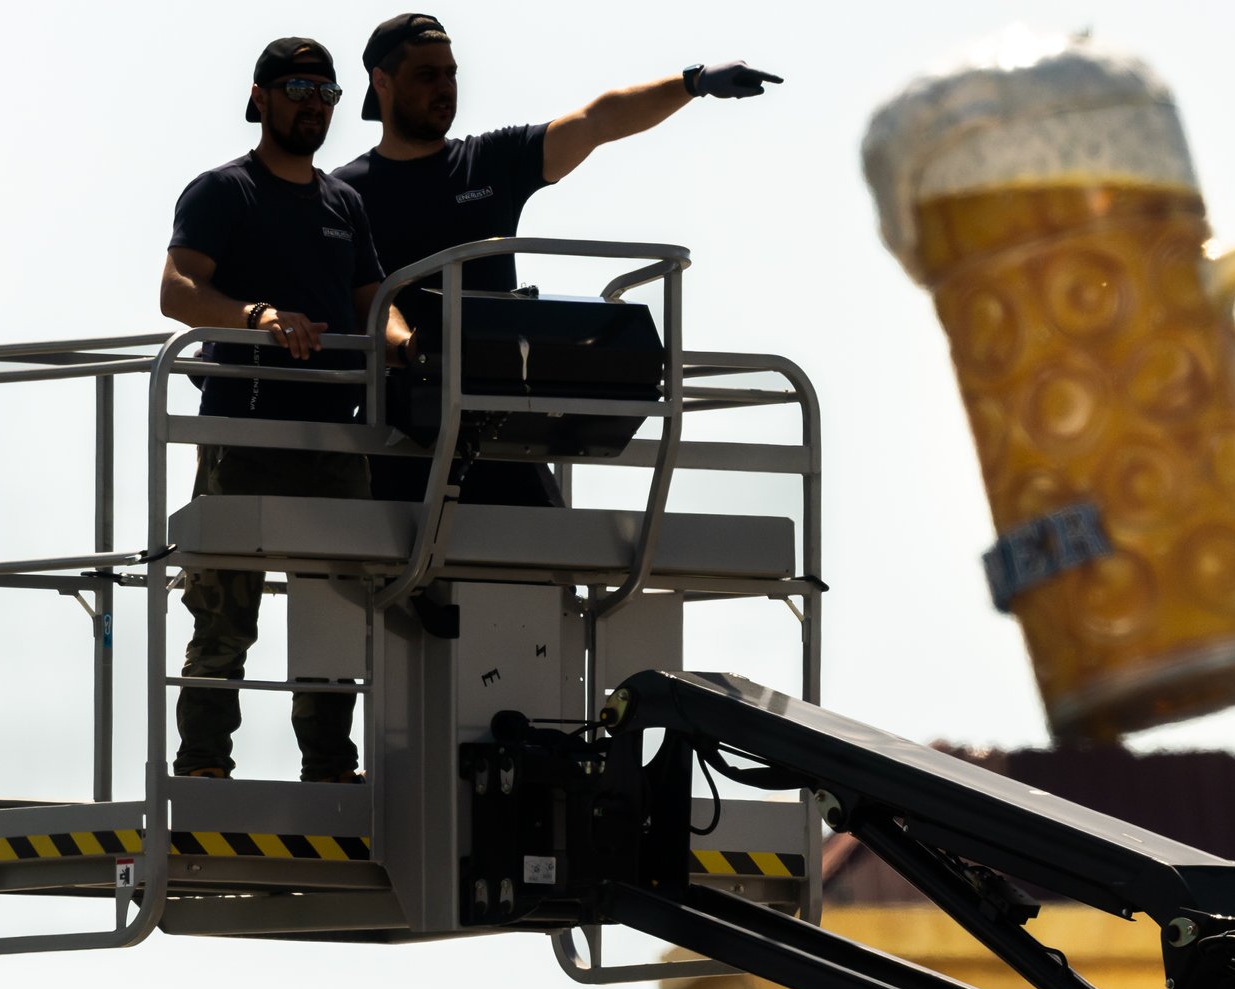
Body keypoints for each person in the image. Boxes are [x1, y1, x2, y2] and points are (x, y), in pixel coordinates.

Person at [333, 13, 781, 504]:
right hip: (397, 428)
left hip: (499, 425)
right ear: (382, 81)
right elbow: (356, 301)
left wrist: (692, 83)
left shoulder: (491, 161)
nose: (445, 88)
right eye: (426, 75)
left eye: (451, 73)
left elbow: (598, 121)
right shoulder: (345, 193)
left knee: (547, 564)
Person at [159, 36, 413, 782]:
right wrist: (259, 316)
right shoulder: (223, 192)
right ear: (261, 97)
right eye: (299, 90)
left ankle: (331, 766)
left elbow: (376, 308)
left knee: (337, 608)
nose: (314, 107)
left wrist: (410, 343)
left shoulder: (344, 203)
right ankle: (204, 763)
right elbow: (177, 291)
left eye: (327, 94)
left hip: (336, 436)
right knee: (224, 606)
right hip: (245, 429)